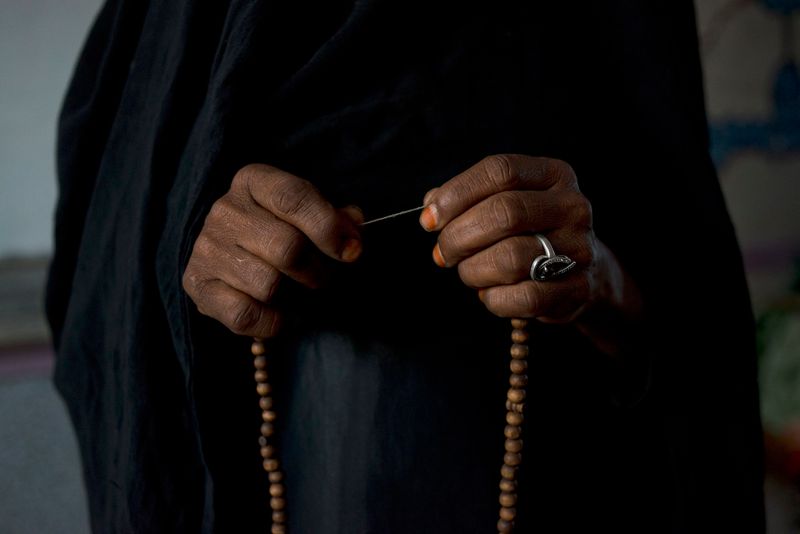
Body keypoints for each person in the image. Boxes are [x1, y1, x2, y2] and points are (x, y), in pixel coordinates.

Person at [47, 0, 765, 532]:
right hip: (257, 477)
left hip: (560, 478)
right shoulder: (170, 25)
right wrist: (189, 241)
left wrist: (594, 279)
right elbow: (111, 221)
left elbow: (692, 297)